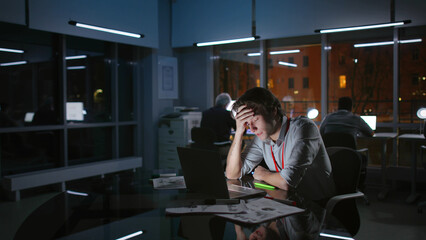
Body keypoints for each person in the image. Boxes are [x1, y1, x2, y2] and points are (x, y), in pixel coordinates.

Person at [226, 87, 335, 201]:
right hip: (286, 202)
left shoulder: (304, 127)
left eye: (255, 119)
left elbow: (286, 182)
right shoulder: (262, 137)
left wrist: (264, 174)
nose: (252, 129)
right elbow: (232, 174)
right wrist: (239, 132)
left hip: (317, 207)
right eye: (247, 123)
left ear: (273, 111)